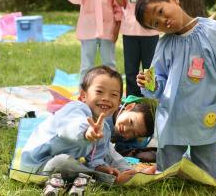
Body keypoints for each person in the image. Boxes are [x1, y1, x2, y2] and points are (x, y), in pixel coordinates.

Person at [135, 0, 216, 178]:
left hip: (204, 115)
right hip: (173, 119)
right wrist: (148, 83)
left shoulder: (212, 31)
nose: (162, 22)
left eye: (160, 12)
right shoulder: (165, 44)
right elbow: (158, 83)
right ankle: (172, 162)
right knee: (166, 173)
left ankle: (212, 161)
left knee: (208, 175)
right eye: (155, 24)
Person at [20, 66, 137, 195]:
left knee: (71, 164)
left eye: (113, 95)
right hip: (38, 163)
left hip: (66, 163)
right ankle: (104, 180)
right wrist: (86, 132)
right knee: (62, 162)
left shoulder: (105, 129)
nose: (106, 98)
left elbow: (98, 155)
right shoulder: (75, 109)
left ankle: (81, 178)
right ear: (83, 95)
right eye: (99, 92)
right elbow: (70, 127)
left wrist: (101, 167)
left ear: (119, 101)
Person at [113, 0, 172, 97]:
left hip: (151, 32)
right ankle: (132, 99)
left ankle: (150, 98)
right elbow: (123, 3)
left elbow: (165, 4)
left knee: (150, 68)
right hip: (130, 32)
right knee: (131, 69)